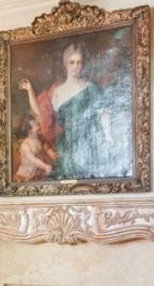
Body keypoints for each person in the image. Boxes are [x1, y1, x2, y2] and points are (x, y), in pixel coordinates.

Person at [18, 43, 121, 180]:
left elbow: (104, 113)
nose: (76, 66)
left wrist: (108, 137)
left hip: (87, 143)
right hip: (65, 145)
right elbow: (39, 113)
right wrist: (30, 90)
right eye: (72, 62)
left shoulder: (90, 87)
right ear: (65, 64)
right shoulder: (57, 92)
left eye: (79, 62)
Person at [12, 110, 57, 182]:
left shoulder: (40, 138)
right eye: (35, 125)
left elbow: (47, 148)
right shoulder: (25, 145)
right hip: (24, 177)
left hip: (35, 174)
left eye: (37, 123)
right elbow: (34, 160)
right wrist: (45, 167)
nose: (38, 126)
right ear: (29, 130)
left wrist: (52, 154)